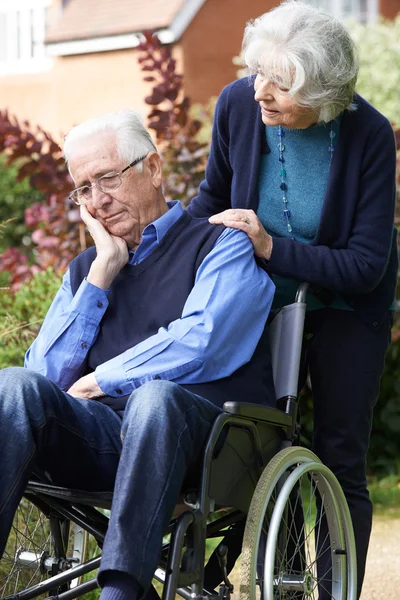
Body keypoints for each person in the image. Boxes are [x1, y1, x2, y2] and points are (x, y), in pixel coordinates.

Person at [0, 110, 276, 600]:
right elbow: (40, 377)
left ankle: (120, 594)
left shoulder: (221, 244)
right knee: (11, 386)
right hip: (105, 441)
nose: (98, 200)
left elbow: (204, 338)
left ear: (152, 168)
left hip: (206, 443)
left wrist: (100, 380)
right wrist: (102, 274)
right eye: (83, 189)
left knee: (154, 398)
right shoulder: (86, 270)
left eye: (108, 178)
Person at [187, 1, 397, 597]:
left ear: (327, 95)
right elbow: (212, 199)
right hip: (258, 300)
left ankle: (339, 587)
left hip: (347, 307)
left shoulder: (368, 135)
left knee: (337, 453)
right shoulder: (236, 105)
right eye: (259, 73)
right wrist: (167, 247)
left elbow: (363, 264)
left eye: (282, 84)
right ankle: (274, 579)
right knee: (256, 440)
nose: (261, 93)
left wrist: (270, 247)